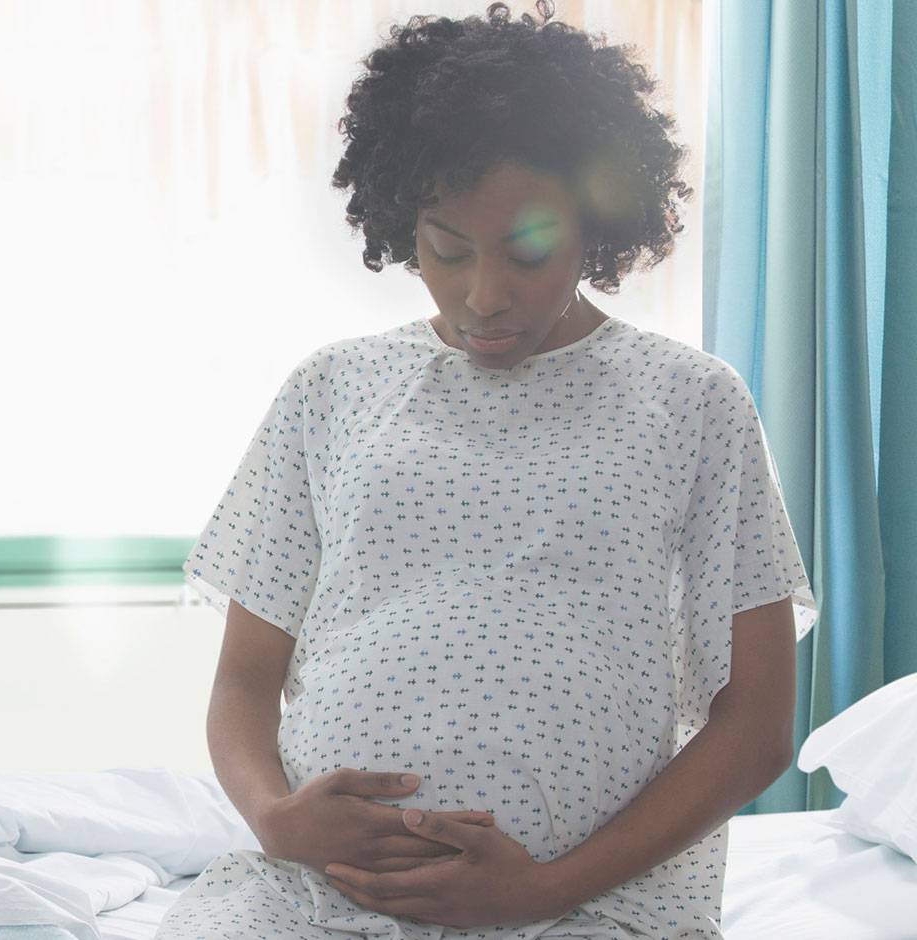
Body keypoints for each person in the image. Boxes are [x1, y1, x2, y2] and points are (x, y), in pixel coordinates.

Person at [157, 3, 817, 938]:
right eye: (447, 248)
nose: (483, 295)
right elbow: (244, 686)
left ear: (598, 222)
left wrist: (546, 890)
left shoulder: (693, 402)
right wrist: (274, 818)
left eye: (528, 251)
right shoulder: (333, 390)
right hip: (314, 894)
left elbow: (754, 730)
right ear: (401, 226)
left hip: (594, 905)